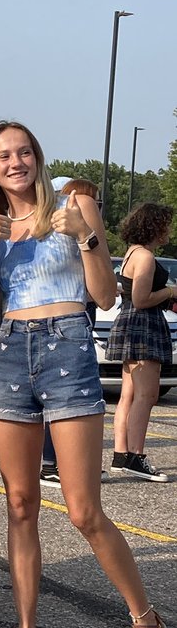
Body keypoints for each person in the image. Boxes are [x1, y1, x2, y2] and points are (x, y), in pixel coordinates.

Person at [0, 119, 166, 628]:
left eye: (23, 152)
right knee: (19, 503)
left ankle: (146, 619)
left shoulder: (74, 204)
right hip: (12, 353)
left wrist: (85, 236)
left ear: (37, 157)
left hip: (67, 348)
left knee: (82, 509)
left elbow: (104, 296)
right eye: (4, 156)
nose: (15, 162)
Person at [39, 179, 103, 487]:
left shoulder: (76, 227)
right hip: (66, 319)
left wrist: (85, 236)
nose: (97, 208)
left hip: (73, 316)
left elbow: (104, 295)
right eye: (95, 201)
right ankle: (51, 462)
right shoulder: (59, 225)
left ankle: (56, 462)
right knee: (61, 399)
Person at [107, 202, 176, 482]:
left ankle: (121, 454)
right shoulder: (145, 256)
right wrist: (170, 291)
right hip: (143, 324)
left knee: (129, 394)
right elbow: (141, 298)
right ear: (154, 226)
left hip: (131, 323)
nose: (169, 230)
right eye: (165, 225)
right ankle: (136, 456)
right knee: (147, 395)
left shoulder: (132, 252)